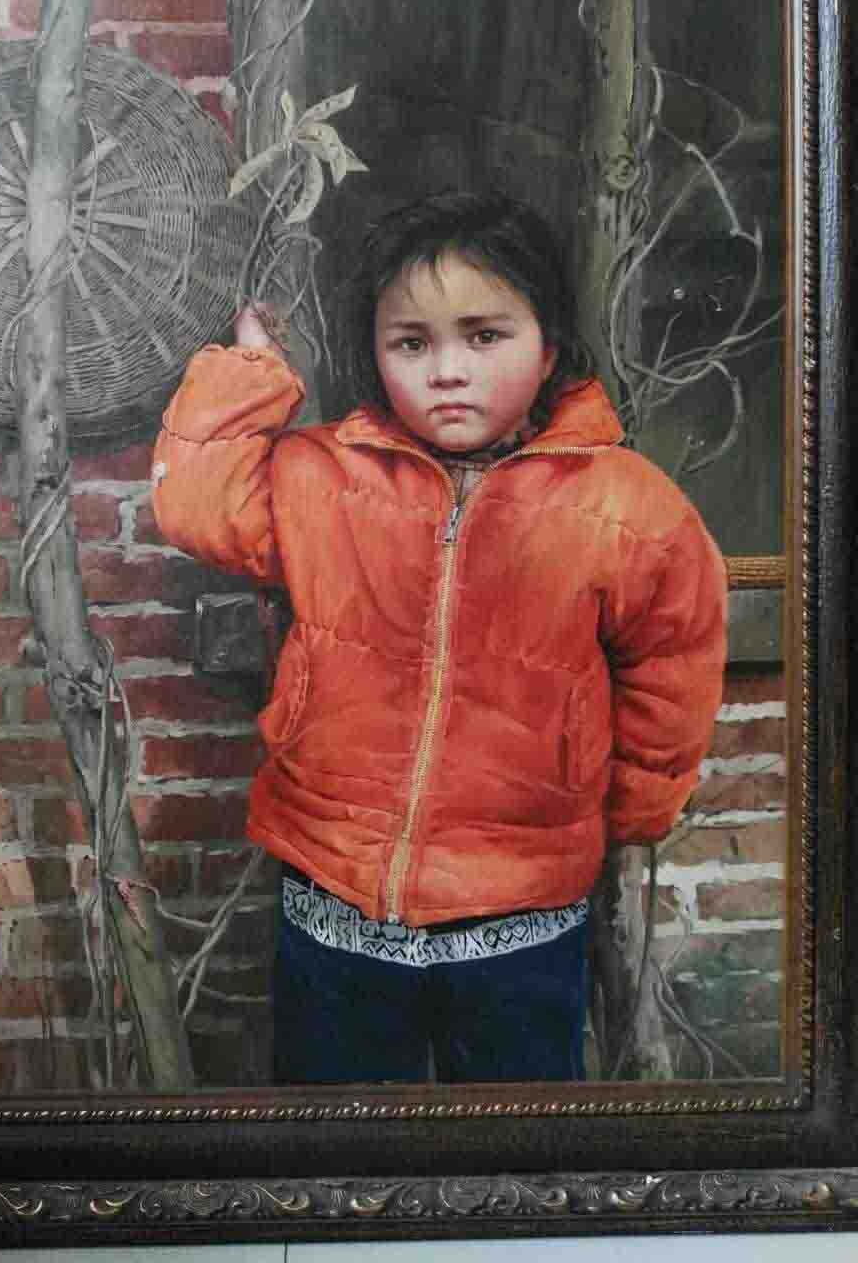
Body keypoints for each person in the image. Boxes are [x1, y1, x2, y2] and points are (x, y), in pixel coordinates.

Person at [152, 192, 728, 1086]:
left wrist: (627, 813)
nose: (447, 371)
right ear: (376, 353)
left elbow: (673, 671)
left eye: (485, 335)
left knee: (515, 1143)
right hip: (334, 892)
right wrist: (253, 368)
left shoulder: (626, 504)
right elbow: (197, 507)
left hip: (523, 913)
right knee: (331, 1138)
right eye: (411, 343)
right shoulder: (322, 476)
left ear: (549, 347)